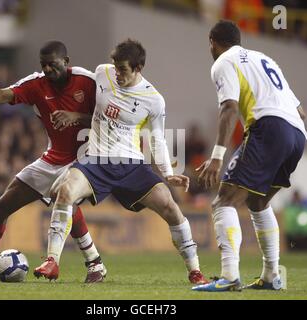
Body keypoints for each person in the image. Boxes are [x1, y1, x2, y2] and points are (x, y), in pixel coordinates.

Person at [45, 39, 208, 285]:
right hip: (96, 161)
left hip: (131, 165)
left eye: (122, 69)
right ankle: (52, 261)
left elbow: (157, 139)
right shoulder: (102, 73)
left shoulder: (154, 100)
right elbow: (77, 82)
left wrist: (168, 172)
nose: (117, 72)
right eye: (115, 66)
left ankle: (195, 271)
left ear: (138, 68)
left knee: (170, 207)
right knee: (65, 192)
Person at [0, 41, 107, 283]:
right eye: (44, 65)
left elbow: (111, 118)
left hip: (85, 159)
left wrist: (76, 116)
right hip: (53, 158)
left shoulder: (88, 81)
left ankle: (94, 264)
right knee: (0, 208)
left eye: (53, 64)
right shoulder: (36, 84)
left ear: (66, 62)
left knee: (66, 199)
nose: (48, 69)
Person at [193, 20, 307, 292]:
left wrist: (218, 156)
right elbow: (301, 111)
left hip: (269, 128)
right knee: (258, 203)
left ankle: (230, 275)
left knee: (223, 201)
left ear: (212, 42)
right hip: (297, 134)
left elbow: (229, 107)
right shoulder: (264, 58)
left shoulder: (223, 62)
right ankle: (271, 276)